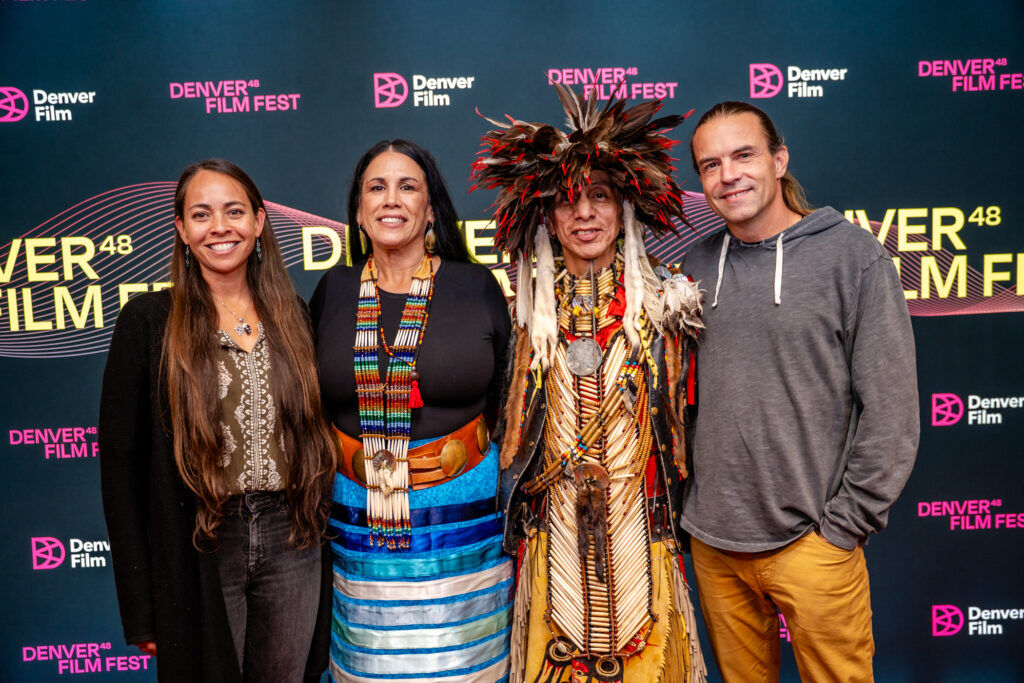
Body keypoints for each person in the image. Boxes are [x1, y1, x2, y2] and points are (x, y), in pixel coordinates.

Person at [472, 85, 707, 682]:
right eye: (566, 201)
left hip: (643, 527)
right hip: (551, 529)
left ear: (624, 208)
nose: (584, 214)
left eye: (599, 196)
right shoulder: (521, 315)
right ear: (546, 218)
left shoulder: (668, 306)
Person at [681, 101, 919, 682]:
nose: (728, 175)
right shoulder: (696, 265)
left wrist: (843, 528)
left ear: (779, 160)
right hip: (715, 546)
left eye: (743, 155)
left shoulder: (853, 258)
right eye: (710, 165)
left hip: (813, 545)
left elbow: (891, 411)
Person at [99, 159, 337, 682]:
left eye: (234, 211)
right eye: (201, 214)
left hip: (292, 536)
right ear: (182, 230)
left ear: (259, 221)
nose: (220, 227)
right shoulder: (149, 321)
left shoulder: (294, 315)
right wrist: (140, 606)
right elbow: (121, 473)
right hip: (201, 541)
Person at [310, 139, 513, 682]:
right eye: (376, 187)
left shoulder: (474, 286)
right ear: (358, 211)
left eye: (408, 187)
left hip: (463, 511)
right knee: (368, 662)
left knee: (465, 666)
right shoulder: (333, 290)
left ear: (431, 208)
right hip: (357, 517)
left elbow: (508, 395)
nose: (391, 199)